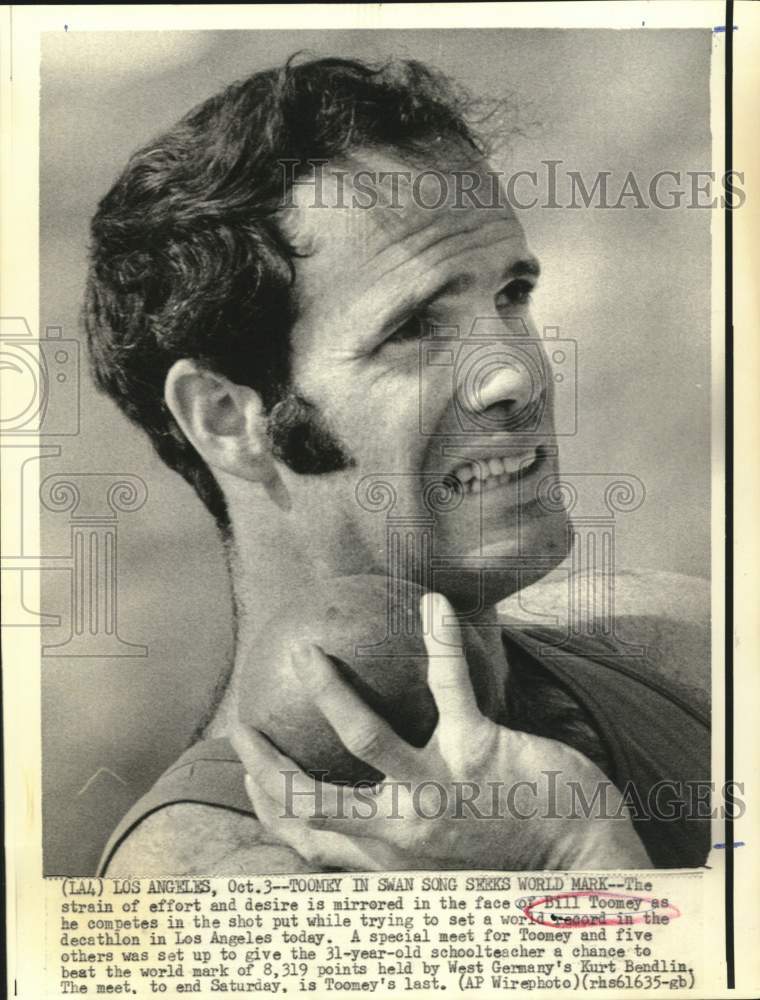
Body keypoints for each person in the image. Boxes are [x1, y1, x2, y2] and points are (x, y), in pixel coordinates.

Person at [85, 56, 709, 875]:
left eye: (511, 296)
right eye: (416, 328)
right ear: (229, 419)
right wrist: (573, 854)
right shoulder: (205, 880)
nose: (515, 373)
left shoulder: (677, 644)